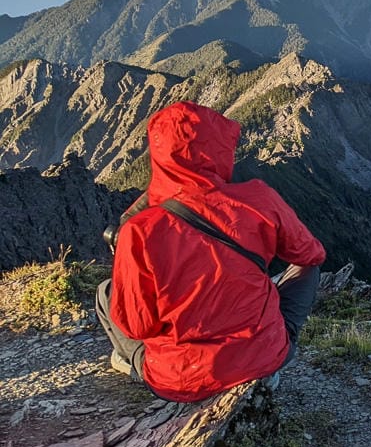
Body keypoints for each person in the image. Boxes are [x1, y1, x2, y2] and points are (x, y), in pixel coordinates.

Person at [94, 100, 326, 403]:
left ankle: (136, 364)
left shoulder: (138, 231)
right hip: (264, 358)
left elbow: (137, 325)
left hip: (181, 382)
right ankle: (269, 349)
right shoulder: (259, 198)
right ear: (219, 150)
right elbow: (311, 255)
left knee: (106, 292)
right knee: (308, 268)